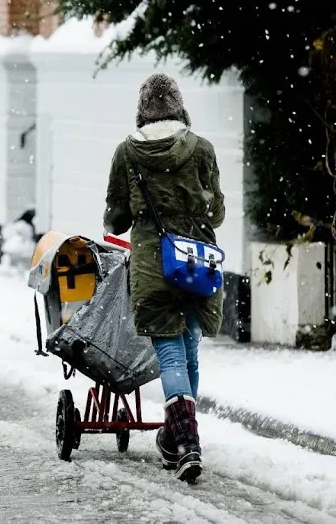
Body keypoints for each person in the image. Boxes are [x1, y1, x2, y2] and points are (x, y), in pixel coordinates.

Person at [103, 73, 225, 482]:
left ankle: (184, 441)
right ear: (179, 106)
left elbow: (115, 218)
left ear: (142, 111)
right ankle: (178, 441)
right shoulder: (202, 149)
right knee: (189, 350)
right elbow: (218, 214)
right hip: (196, 262)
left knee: (171, 354)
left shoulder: (128, 153)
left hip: (153, 264)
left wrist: (139, 208)